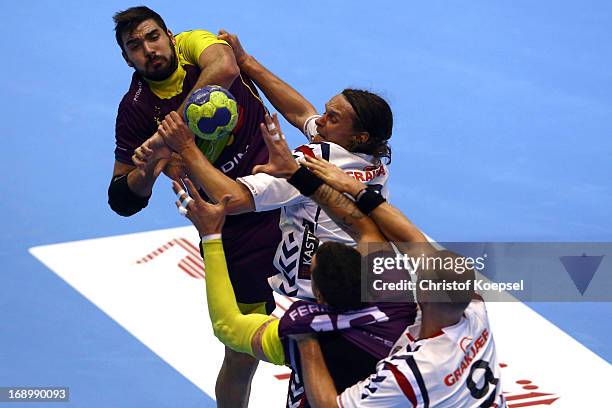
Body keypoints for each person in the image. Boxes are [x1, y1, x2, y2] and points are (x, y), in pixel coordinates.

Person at [172, 114, 419, 406]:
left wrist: (211, 236)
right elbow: (377, 231)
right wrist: (315, 179)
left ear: (318, 296)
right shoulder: (405, 303)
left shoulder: (304, 330)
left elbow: (228, 325)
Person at [133, 30, 395, 301]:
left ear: (358, 136)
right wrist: (246, 61)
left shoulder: (311, 163)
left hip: (313, 296)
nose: (320, 120)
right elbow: (301, 113)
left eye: (333, 118)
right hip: (366, 286)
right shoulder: (371, 158)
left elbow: (232, 198)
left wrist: (186, 147)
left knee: (233, 331)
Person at [107, 7, 281, 407]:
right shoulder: (134, 110)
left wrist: (167, 137)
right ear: (126, 58)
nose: (149, 50)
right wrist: (148, 169)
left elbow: (223, 66)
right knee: (241, 355)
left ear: (169, 35)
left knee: (359, 293)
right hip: (234, 224)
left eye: (153, 37)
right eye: (135, 46)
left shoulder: (194, 44)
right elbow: (122, 198)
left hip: (284, 192)